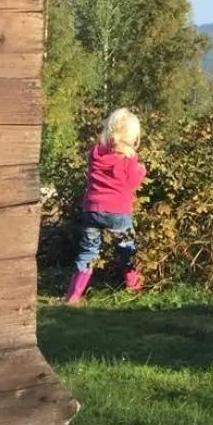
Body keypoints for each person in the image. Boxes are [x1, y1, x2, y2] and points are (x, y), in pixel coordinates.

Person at [67, 108, 148, 304]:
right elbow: (131, 184)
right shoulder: (129, 158)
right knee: (127, 248)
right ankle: (134, 288)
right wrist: (141, 171)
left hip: (93, 209)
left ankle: (74, 295)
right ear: (132, 135)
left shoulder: (96, 152)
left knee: (88, 251)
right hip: (118, 211)